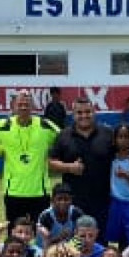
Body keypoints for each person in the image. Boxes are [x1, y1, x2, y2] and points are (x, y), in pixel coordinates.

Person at [0, 91, 60, 223]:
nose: (23, 107)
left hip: (40, 192)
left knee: (40, 232)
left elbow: (63, 137)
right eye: (20, 104)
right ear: (13, 106)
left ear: (32, 106)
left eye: (26, 104)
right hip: (13, 192)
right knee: (15, 233)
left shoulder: (44, 125)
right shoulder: (4, 126)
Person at [48, 96, 115, 227]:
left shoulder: (107, 133)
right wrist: (69, 167)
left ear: (94, 112)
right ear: (73, 115)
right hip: (73, 201)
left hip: (103, 199)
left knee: (99, 241)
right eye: (79, 113)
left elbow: (123, 154)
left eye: (87, 112)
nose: (84, 116)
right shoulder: (64, 135)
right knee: (75, 241)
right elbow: (51, 162)